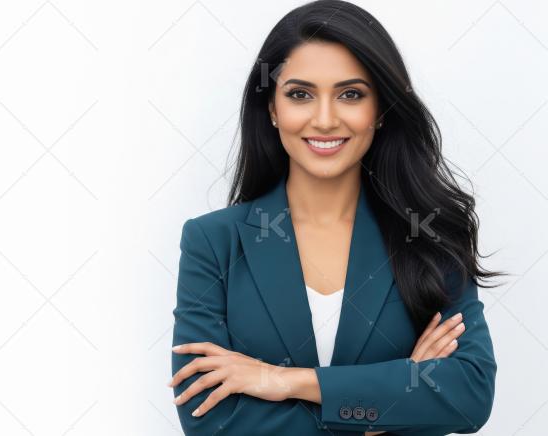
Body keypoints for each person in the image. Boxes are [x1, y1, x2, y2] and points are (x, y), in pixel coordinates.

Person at [167, 1, 503, 435]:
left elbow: (468, 396)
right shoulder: (213, 242)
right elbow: (207, 419)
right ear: (272, 108)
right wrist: (388, 405)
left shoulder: (431, 235)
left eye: (351, 94)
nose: (324, 120)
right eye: (299, 94)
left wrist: (286, 382)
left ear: (380, 110)